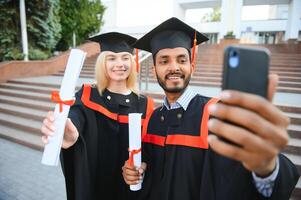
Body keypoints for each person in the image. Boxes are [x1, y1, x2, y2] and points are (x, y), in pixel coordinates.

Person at [122, 17, 299, 200]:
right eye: (164, 61)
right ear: (154, 70)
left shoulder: (218, 114)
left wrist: (267, 167)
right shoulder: (152, 120)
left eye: (181, 60)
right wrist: (135, 172)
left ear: (192, 66)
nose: (174, 67)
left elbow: (259, 174)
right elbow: (147, 172)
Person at [41, 32, 153, 200]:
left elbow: (150, 152)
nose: (119, 64)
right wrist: (69, 132)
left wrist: (144, 166)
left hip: (130, 191)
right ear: (102, 63)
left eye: (125, 58)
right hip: (95, 187)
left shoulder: (144, 104)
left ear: (132, 62)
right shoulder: (88, 95)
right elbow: (76, 116)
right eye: (111, 58)